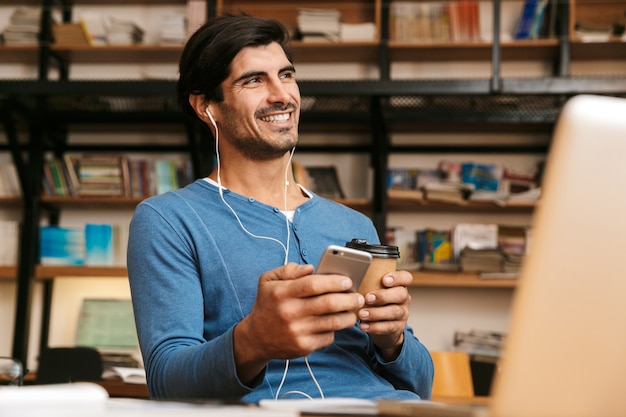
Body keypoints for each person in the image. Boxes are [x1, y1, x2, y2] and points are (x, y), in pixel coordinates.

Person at [127, 13, 433, 403]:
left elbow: (421, 388)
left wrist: (393, 340)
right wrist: (252, 340)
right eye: (254, 80)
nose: (282, 95)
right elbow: (167, 382)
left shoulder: (352, 223)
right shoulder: (168, 220)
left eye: (286, 76)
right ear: (207, 107)